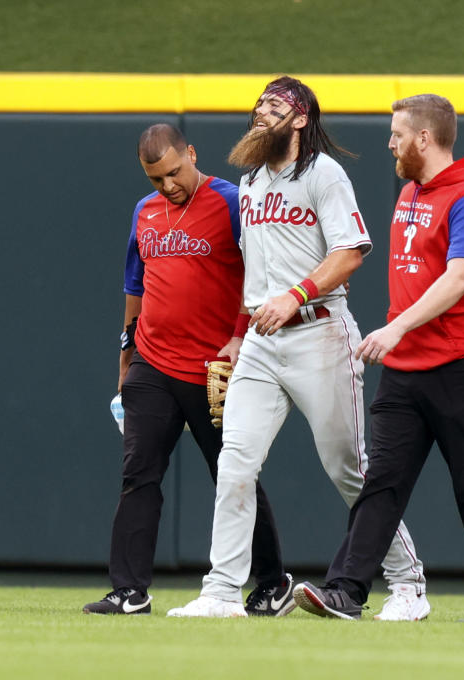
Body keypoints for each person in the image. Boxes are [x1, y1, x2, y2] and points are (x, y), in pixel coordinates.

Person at [168, 76, 428, 620]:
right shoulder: (252, 182)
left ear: (302, 117)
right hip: (263, 343)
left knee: (349, 468)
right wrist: (239, 335)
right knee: (235, 462)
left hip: (320, 332)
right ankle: (221, 591)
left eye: (275, 106)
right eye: (259, 104)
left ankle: (408, 583)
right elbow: (255, 274)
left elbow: (352, 251)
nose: (262, 112)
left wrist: (295, 295)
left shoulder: (323, 174)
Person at [292, 94, 464, 622]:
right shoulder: (409, 192)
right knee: (382, 484)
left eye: (398, 133)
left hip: (460, 365)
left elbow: (460, 277)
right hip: (404, 371)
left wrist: (394, 327)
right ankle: (345, 592)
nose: (390, 142)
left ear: (425, 137)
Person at [83, 124, 295, 617]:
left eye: (175, 172)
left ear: (192, 154)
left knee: (234, 474)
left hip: (214, 369)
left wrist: (242, 336)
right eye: (156, 178)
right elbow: (134, 290)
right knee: (139, 475)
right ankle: (129, 590)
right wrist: (125, 363)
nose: (168, 185)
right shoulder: (145, 211)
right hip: (153, 365)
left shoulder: (231, 202)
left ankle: (272, 581)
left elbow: (261, 273)